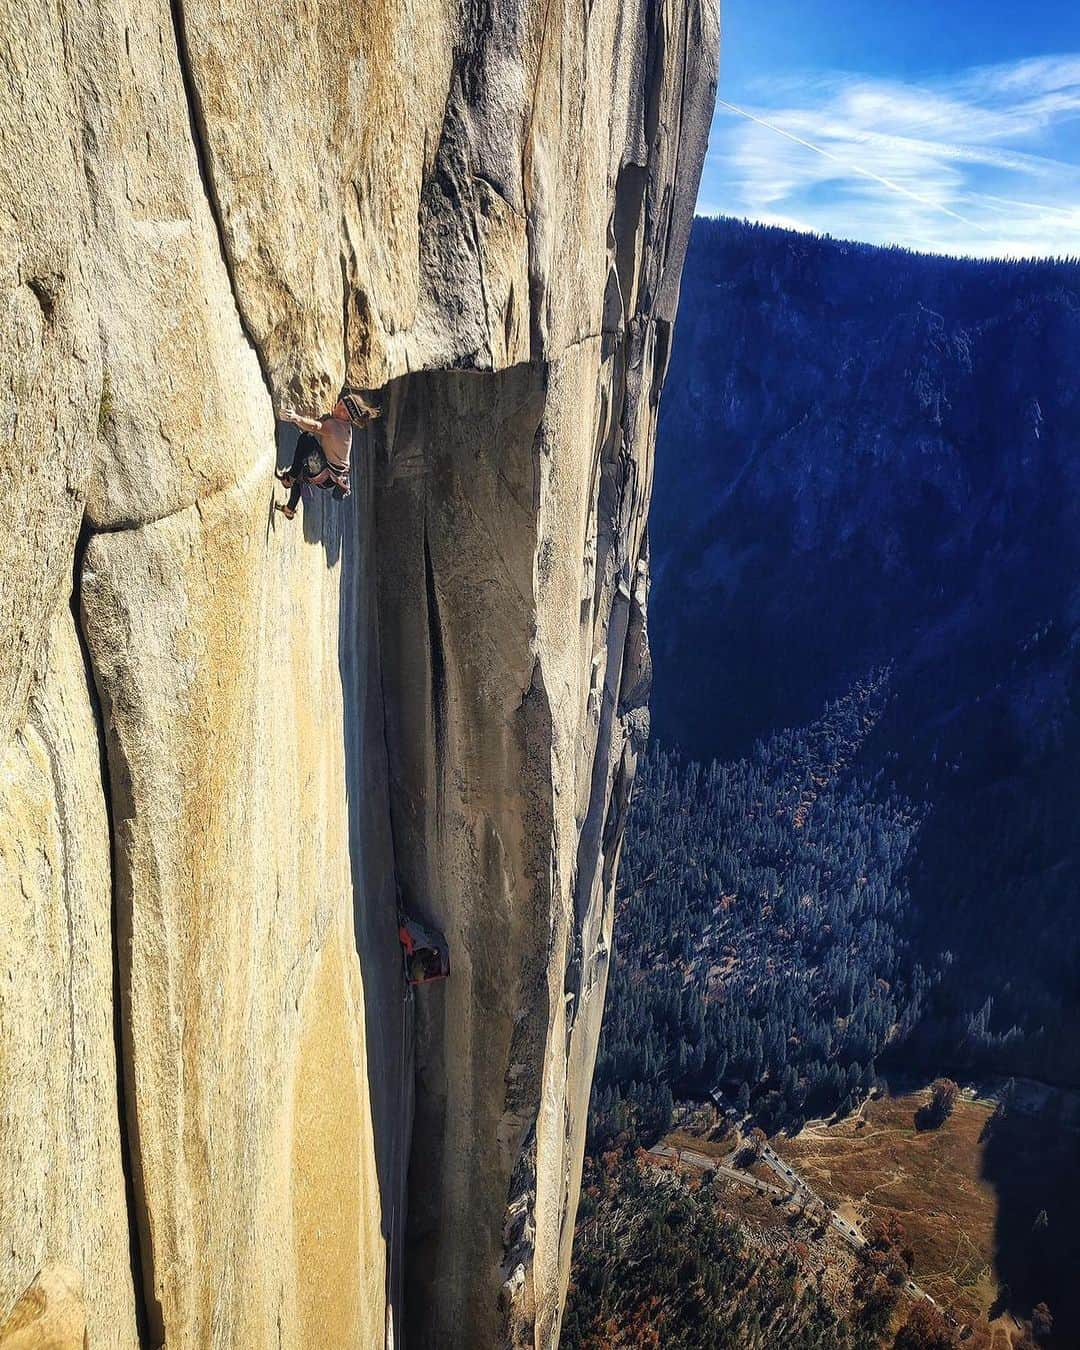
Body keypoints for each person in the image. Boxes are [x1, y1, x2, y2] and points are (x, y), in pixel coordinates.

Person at [275, 392, 379, 519]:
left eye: (344, 411)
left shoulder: (335, 426)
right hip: (330, 478)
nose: (339, 409)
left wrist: (296, 418)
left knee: (306, 438)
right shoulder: (346, 427)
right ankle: (289, 509)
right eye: (341, 404)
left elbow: (315, 426)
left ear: (349, 418)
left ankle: (289, 479)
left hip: (325, 474)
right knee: (300, 476)